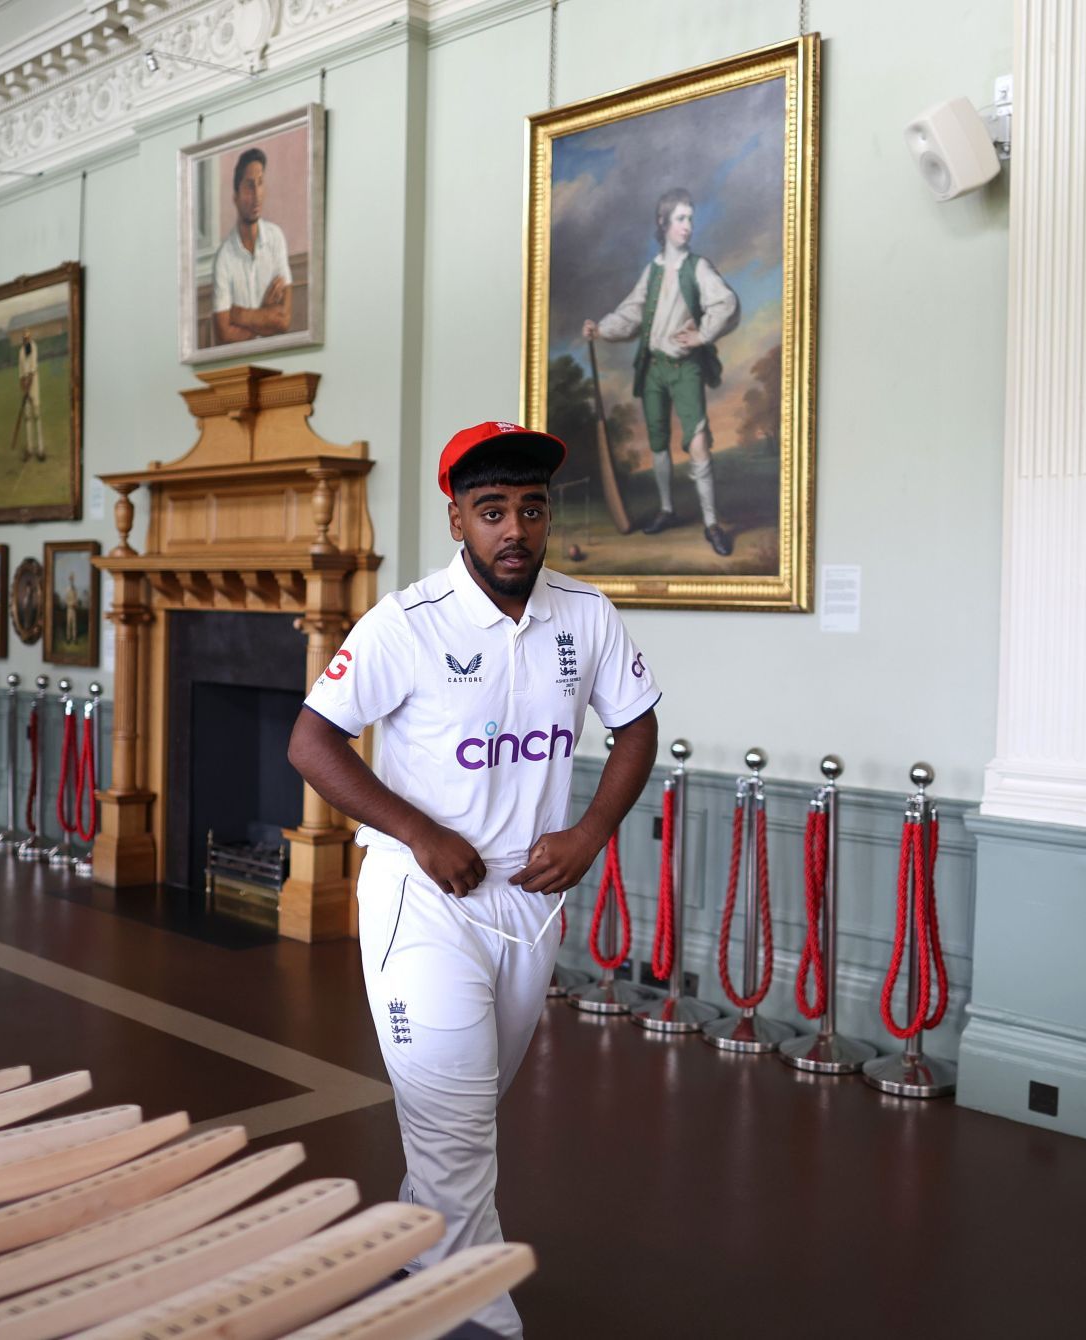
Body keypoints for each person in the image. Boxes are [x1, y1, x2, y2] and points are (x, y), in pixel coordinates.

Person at [288, 421, 661, 1338]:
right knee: (455, 1121)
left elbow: (638, 725)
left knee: (462, 1107)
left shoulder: (586, 614)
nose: (515, 531)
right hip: (425, 902)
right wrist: (418, 831)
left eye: (530, 510)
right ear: (457, 518)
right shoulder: (407, 623)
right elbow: (311, 740)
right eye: (492, 511)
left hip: (530, 907)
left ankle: (413, 1250)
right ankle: (475, 1315)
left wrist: (590, 832)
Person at [583, 187, 741, 548]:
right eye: (681, 218)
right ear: (663, 222)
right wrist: (601, 329)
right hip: (653, 369)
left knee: (698, 441)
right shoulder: (652, 271)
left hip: (685, 368)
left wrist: (701, 335)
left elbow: (726, 302)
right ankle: (667, 509)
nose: (688, 226)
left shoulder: (697, 267)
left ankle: (712, 524)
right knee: (657, 443)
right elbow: (632, 312)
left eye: (690, 219)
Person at [210, 147, 293, 345]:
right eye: (249, 186)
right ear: (235, 196)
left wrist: (238, 315)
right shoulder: (224, 258)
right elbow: (224, 334)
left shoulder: (276, 238)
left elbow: (284, 320)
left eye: (260, 183)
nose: (257, 195)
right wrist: (265, 313)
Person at [16, 333, 45, 462]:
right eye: (24, 339)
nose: (26, 341)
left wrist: (28, 384)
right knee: (27, 417)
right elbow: (21, 373)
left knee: (36, 415)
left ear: (30, 339)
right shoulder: (21, 352)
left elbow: (33, 369)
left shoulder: (34, 347)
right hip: (26, 385)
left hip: (34, 383)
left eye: (27, 338)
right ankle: (30, 449)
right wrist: (23, 385)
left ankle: (40, 449)